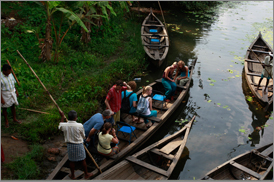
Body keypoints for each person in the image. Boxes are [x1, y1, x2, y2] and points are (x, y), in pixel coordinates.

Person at [58, 110, 93, 180]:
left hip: (70, 145)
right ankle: (86, 174)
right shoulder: (79, 125)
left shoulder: (64, 125)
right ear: (75, 118)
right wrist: (84, 138)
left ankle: (73, 175)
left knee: (71, 161)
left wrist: (62, 117)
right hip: (79, 144)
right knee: (83, 160)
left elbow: (60, 126)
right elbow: (83, 135)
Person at [1, 64, 21, 128]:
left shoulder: (10, 74)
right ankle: (6, 121)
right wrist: (1, 99)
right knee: (4, 107)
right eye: (7, 72)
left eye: (10, 72)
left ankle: (14, 119)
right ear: (3, 71)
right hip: (5, 94)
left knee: (13, 105)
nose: (9, 73)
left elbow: (13, 83)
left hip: (12, 92)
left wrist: (16, 91)